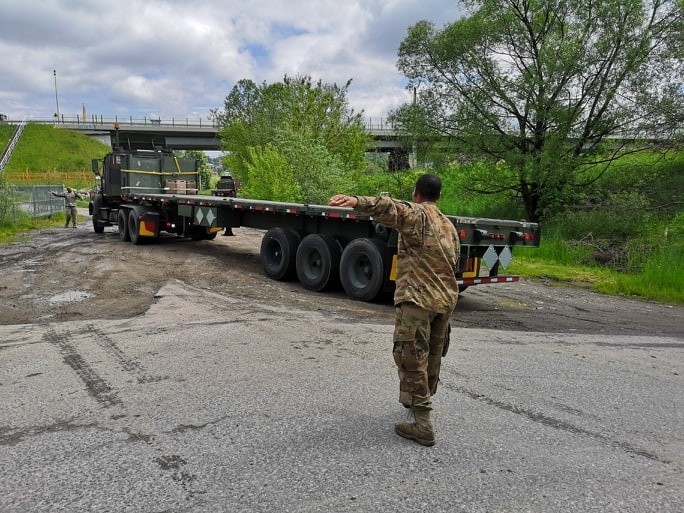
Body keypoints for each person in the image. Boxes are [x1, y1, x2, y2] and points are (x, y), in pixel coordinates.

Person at [329, 173, 459, 447]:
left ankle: (423, 424)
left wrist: (355, 201)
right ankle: (420, 403)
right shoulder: (448, 225)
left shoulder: (417, 215)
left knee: (411, 357)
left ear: (416, 193)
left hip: (418, 300)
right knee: (433, 356)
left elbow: (389, 207)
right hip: (445, 301)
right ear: (439, 196)